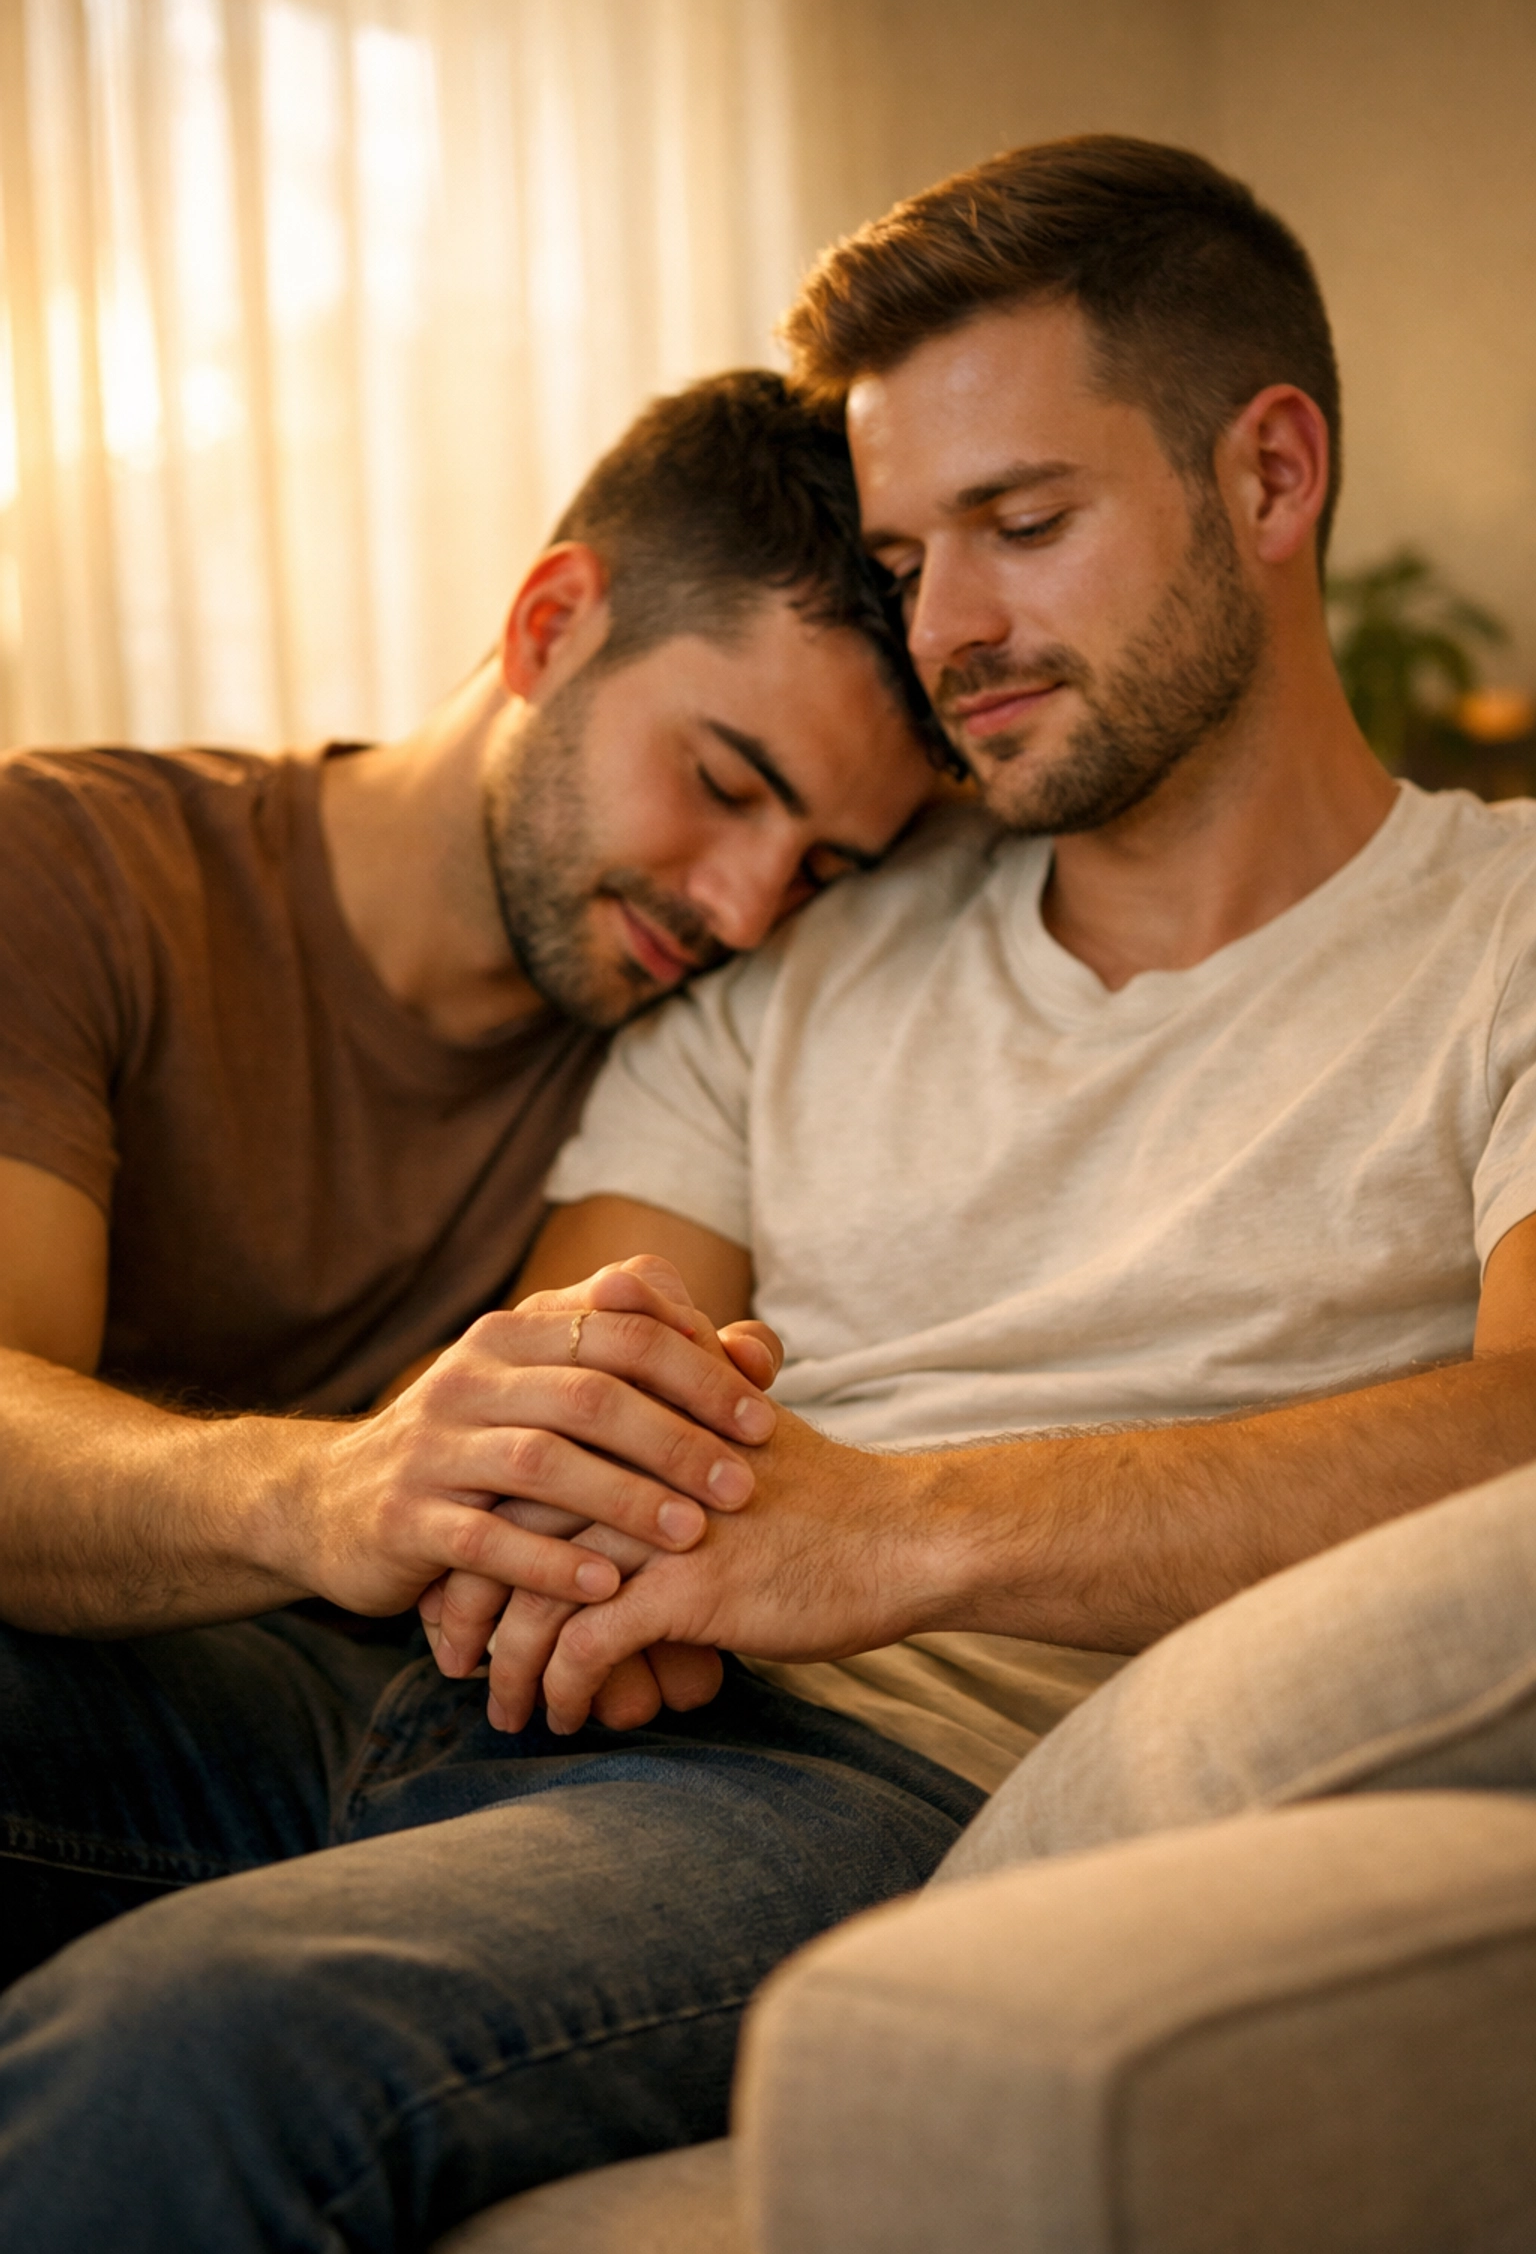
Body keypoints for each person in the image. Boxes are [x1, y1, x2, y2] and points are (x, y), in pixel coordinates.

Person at [4, 133, 1534, 2248]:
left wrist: (891, 1534)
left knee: (185, 2040)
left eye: (1022, 523)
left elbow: (1527, 1430)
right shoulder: (804, 943)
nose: (954, 632)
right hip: (446, 1685)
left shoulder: (1505, 938)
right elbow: (596, 1370)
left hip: (853, 1788)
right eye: (912, 558)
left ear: (1271, 482)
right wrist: (584, 1525)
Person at [0, 374, 957, 2247]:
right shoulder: (81, 874)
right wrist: (324, 1492)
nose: (749, 906)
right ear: (548, 626)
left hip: (481, 1736)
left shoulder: (697, 1043)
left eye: (822, 862)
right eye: (726, 784)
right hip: (179, 1666)